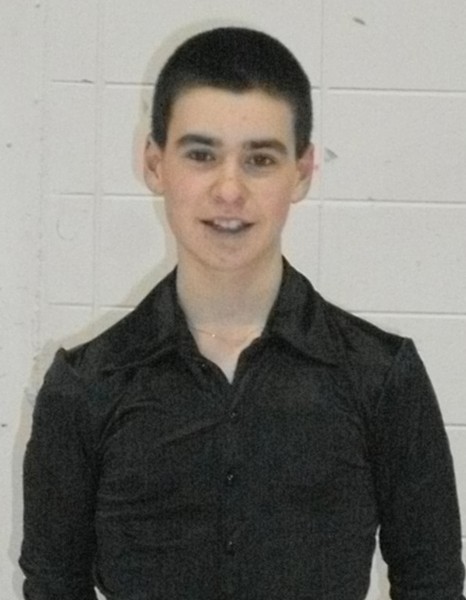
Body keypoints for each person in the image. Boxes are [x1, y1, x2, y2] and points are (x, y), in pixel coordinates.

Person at [20, 27, 464, 600]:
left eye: (259, 159)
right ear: (154, 163)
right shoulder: (84, 388)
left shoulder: (381, 378)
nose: (229, 189)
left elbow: (432, 583)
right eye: (201, 155)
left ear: (302, 171)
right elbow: (53, 587)